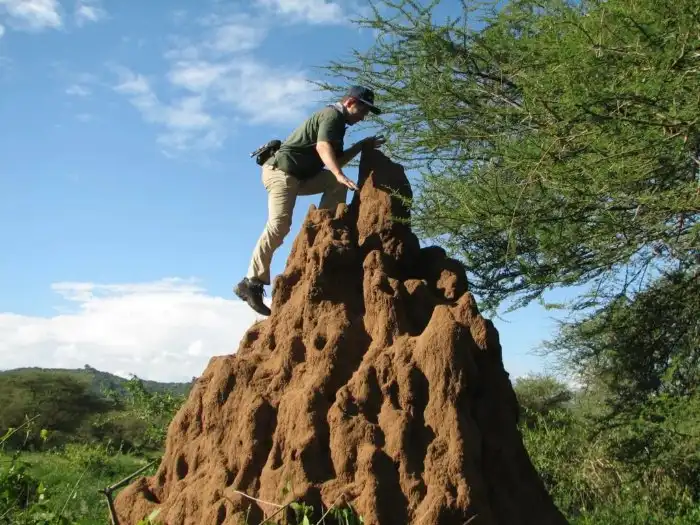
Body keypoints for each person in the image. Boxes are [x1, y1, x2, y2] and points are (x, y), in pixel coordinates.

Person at [234, 85, 385, 316]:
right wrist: (338, 173)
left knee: (336, 183)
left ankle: (324, 231)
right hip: (281, 173)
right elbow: (323, 147)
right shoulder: (332, 115)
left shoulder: (339, 125)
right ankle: (250, 282)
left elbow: (335, 160)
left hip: (300, 177)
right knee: (279, 225)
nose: (363, 117)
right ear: (350, 103)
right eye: (363, 110)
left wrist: (359, 147)